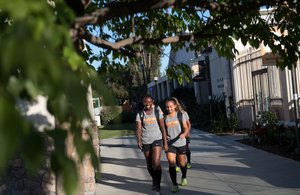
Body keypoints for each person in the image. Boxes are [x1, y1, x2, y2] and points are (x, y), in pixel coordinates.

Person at [136, 95, 168, 195]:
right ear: (143, 102)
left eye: (149, 102)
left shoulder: (158, 110)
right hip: (145, 141)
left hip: (157, 139)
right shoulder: (140, 114)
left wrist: (165, 142)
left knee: (156, 163)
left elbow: (162, 127)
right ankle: (154, 179)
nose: (148, 104)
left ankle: (158, 186)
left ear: (153, 101)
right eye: (146, 102)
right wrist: (139, 140)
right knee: (149, 166)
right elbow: (139, 129)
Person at [164, 97, 190, 193]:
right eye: (167, 107)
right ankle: (174, 184)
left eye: (170, 107)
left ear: (175, 106)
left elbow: (186, 127)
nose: (169, 109)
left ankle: (183, 177)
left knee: (183, 164)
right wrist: (165, 140)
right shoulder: (165, 118)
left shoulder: (180, 115)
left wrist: (184, 133)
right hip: (170, 144)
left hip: (180, 143)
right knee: (171, 163)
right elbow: (163, 131)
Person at [171, 97, 192, 171]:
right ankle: (177, 165)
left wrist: (187, 133)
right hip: (175, 136)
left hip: (185, 134)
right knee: (175, 151)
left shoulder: (183, 113)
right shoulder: (170, 114)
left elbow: (188, 124)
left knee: (186, 149)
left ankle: (188, 162)